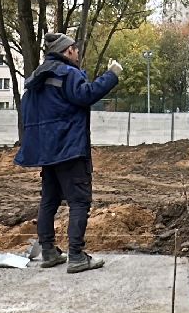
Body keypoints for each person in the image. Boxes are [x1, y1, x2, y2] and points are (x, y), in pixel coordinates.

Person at [15, 33, 121, 273]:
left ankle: (49, 252)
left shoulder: (36, 80)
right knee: (79, 201)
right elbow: (86, 95)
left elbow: (29, 116)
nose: (77, 53)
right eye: (74, 48)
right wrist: (112, 75)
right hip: (69, 149)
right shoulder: (68, 73)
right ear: (66, 51)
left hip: (46, 151)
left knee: (49, 201)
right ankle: (77, 256)